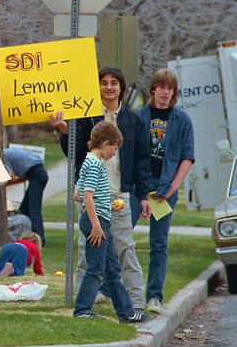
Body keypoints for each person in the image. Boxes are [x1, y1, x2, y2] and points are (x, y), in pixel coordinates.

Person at [49, 66, 150, 313]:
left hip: (120, 195)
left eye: (114, 83)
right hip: (92, 196)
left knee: (125, 249)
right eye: (104, 82)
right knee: (87, 251)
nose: (108, 87)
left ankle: (137, 302)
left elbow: (142, 160)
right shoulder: (88, 117)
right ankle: (86, 302)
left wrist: (143, 195)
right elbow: (74, 153)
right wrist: (64, 130)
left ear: (121, 88)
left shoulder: (133, 121)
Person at [73, 122, 151, 323]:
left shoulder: (87, 161)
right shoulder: (95, 165)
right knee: (96, 269)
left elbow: (77, 194)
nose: (114, 154)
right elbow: (87, 197)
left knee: (112, 270)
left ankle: (127, 313)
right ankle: (82, 309)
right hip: (96, 224)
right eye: (114, 149)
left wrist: (108, 207)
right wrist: (97, 225)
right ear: (106, 144)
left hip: (100, 218)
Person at [135, 69, 195, 314]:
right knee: (120, 237)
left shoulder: (182, 120)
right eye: (161, 87)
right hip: (139, 185)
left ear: (174, 92)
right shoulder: (139, 117)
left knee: (158, 244)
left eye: (169, 88)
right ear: (153, 89)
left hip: (164, 187)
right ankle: (108, 289)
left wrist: (172, 187)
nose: (165, 92)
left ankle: (154, 297)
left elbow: (187, 158)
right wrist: (137, 191)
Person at [3, 146, 48, 246]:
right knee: (24, 208)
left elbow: (11, 178)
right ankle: (26, 237)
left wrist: (1, 185)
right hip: (37, 173)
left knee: (33, 209)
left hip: (36, 174)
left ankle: (40, 240)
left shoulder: (3, 156)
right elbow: (24, 177)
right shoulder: (6, 152)